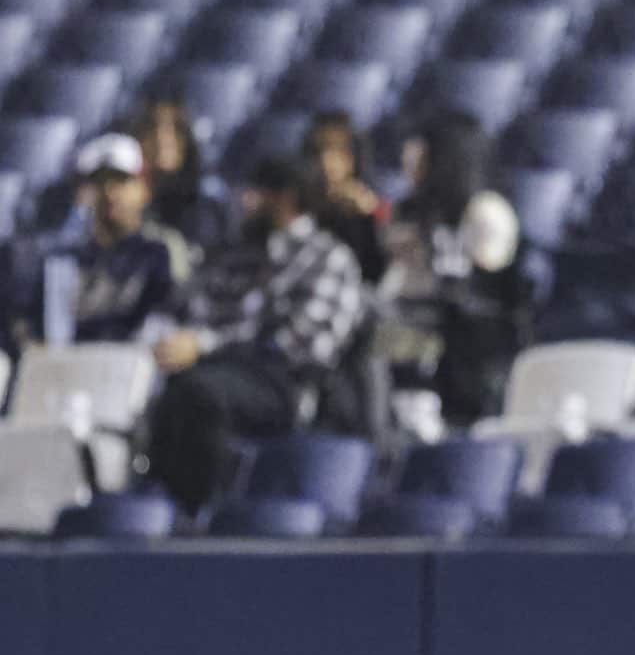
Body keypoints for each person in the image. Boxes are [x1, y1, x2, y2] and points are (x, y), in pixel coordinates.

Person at [143, 155, 364, 512]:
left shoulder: (327, 257)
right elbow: (196, 310)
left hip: (283, 384)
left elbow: (302, 344)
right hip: (213, 371)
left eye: (254, 194)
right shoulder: (236, 258)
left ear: (284, 198)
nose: (244, 203)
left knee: (199, 394)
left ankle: (194, 514)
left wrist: (205, 346)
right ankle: (152, 508)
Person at [382, 113, 531, 426]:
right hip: (410, 329)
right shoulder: (410, 212)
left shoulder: (486, 211)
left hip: (465, 349)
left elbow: (488, 293)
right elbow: (399, 282)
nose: (409, 156)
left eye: (420, 148)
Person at [6, 135, 177, 352]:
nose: (110, 192)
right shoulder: (57, 261)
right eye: (99, 182)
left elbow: (160, 322)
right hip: (62, 372)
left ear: (143, 188)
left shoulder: (156, 255)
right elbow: (29, 325)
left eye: (121, 180)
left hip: (126, 369)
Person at [134, 96, 227, 264]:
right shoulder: (128, 196)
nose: (162, 139)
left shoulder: (203, 204)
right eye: (153, 128)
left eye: (174, 129)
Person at [304, 111, 389, 284]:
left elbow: (377, 271)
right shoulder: (298, 203)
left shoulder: (370, 207)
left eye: (338, 151)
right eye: (322, 151)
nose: (327, 161)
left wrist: (370, 215)